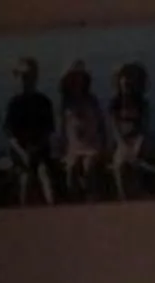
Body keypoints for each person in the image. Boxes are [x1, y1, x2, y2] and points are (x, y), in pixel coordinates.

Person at [1, 57, 57, 206]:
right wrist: (23, 153)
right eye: (23, 77)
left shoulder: (44, 102)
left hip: (40, 153)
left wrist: (35, 150)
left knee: (45, 174)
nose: (26, 80)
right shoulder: (14, 104)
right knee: (24, 180)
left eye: (30, 77)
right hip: (20, 155)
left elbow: (48, 132)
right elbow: (10, 135)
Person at [58, 61, 108, 200]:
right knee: (71, 168)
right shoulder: (65, 103)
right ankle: (74, 202)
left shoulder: (92, 100)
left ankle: (92, 199)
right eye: (72, 78)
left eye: (79, 77)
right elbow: (63, 129)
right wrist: (62, 150)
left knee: (88, 166)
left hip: (92, 144)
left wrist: (104, 146)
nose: (76, 81)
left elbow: (101, 125)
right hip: (74, 147)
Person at [107, 60, 152, 199]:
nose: (126, 82)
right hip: (122, 142)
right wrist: (123, 146)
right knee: (120, 164)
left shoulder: (142, 104)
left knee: (135, 165)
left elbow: (144, 129)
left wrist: (137, 146)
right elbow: (115, 130)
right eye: (123, 79)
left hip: (138, 141)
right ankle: (124, 198)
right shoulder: (115, 104)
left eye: (129, 79)